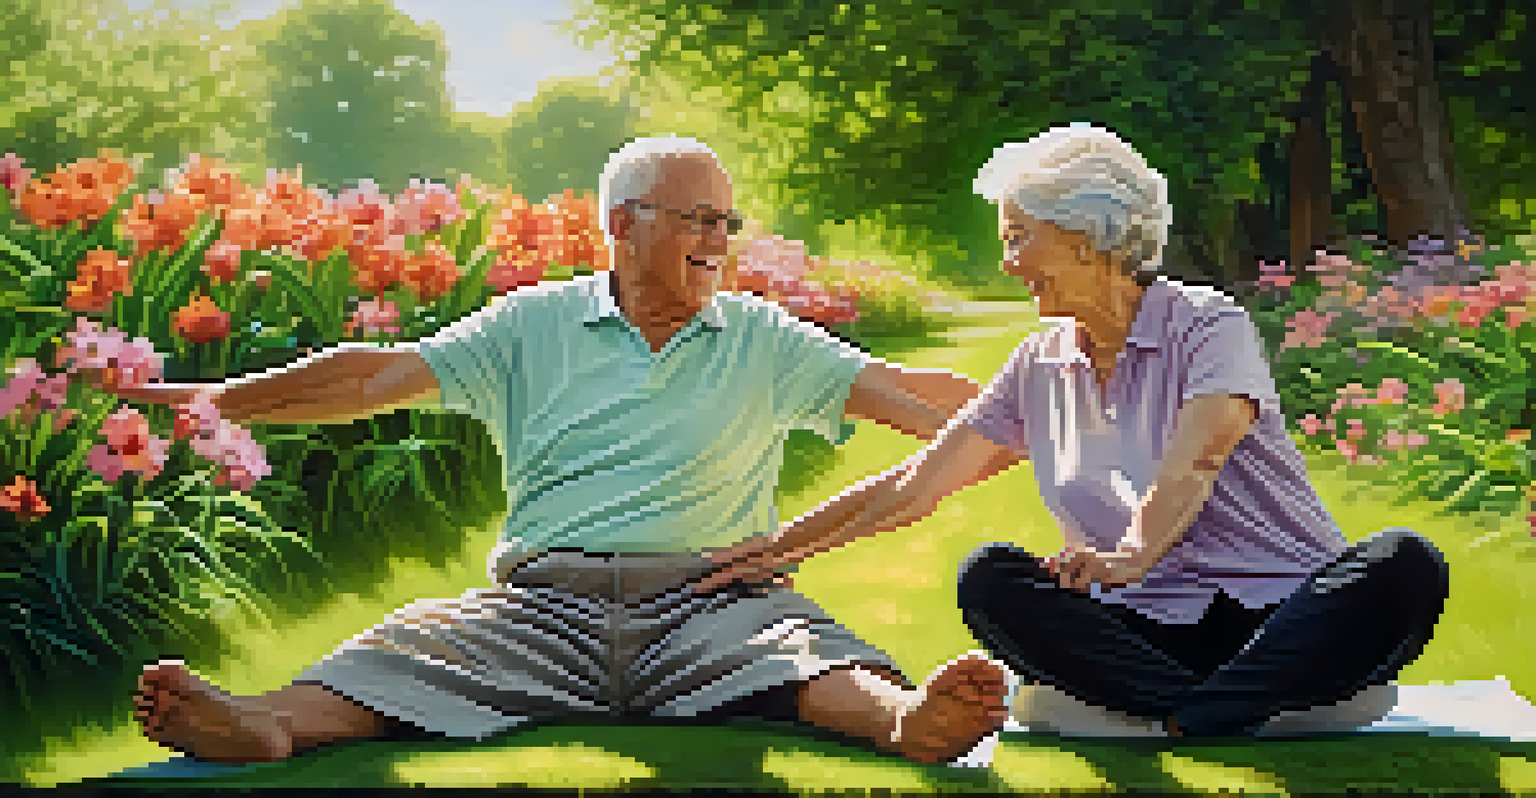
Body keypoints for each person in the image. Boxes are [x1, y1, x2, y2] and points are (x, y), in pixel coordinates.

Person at [121, 137, 1013, 764]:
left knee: (804, 650)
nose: (718, 243)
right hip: (543, 611)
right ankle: (265, 725)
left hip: (713, 605)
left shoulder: (765, 337)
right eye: (697, 220)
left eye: (727, 224)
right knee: (404, 647)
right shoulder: (531, 323)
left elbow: (941, 407)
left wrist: (1055, 407)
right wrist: (217, 401)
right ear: (624, 225)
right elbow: (369, 379)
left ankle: (906, 724)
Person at [698, 123, 1450, 738]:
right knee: (990, 575)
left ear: (1087, 236)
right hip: (1149, 631)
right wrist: (773, 551)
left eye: (1021, 237)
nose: (1009, 260)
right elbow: (913, 485)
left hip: (1284, 615)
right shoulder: (1039, 363)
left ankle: (1188, 712)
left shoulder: (1205, 323)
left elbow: (1199, 456)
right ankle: (1236, 708)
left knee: (1405, 563)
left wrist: (1129, 554)